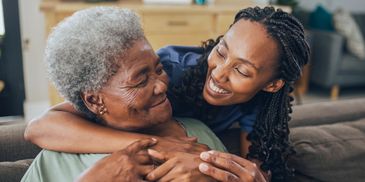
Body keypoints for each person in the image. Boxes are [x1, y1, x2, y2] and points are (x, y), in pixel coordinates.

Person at [25, 6, 310, 182]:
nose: (220, 73)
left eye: (243, 71)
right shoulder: (174, 69)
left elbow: (253, 166)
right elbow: (40, 126)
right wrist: (157, 145)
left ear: (272, 84)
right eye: (221, 51)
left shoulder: (200, 133)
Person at [21, 7, 226, 182]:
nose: (161, 86)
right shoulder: (56, 159)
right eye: (140, 80)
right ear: (94, 100)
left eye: (159, 69)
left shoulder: (196, 133)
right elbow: (37, 127)